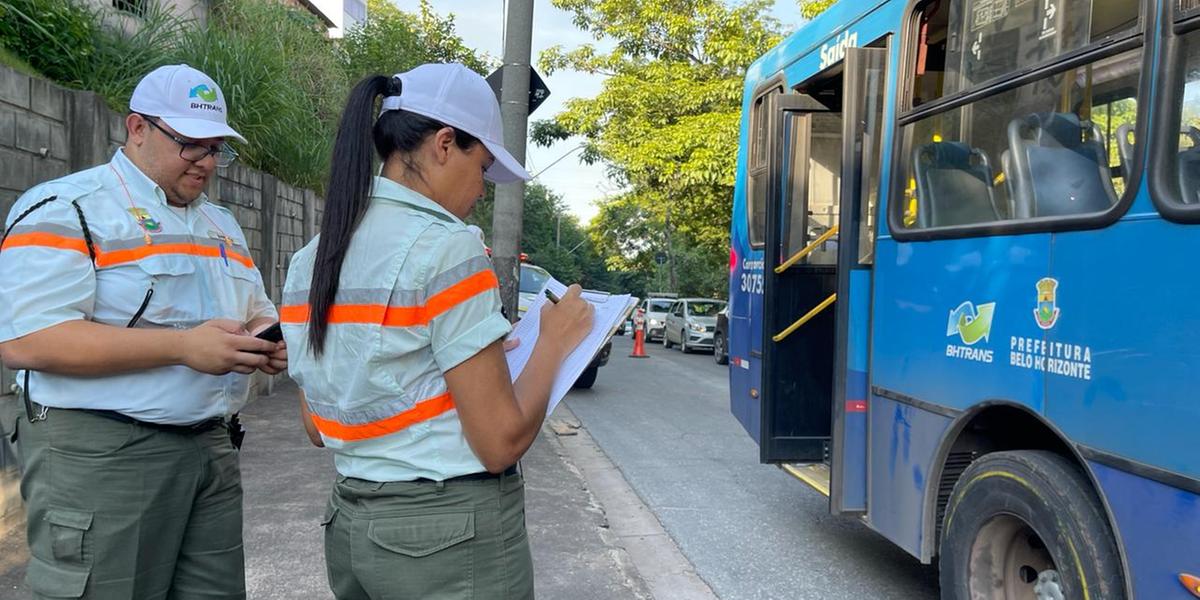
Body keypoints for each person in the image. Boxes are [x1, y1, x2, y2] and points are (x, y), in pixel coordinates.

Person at [281, 63, 593, 600]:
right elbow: (499, 443)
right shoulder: (448, 247)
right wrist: (555, 343)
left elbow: (319, 425)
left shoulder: (310, 260)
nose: (481, 191)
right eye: (483, 167)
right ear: (445, 144)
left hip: (353, 530)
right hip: (446, 542)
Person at [0, 64, 286, 599]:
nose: (206, 161)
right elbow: (27, 340)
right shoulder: (67, 209)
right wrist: (183, 347)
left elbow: (254, 309)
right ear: (137, 128)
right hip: (103, 454)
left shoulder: (219, 223)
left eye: (216, 148)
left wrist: (264, 340)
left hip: (210, 449)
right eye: (190, 145)